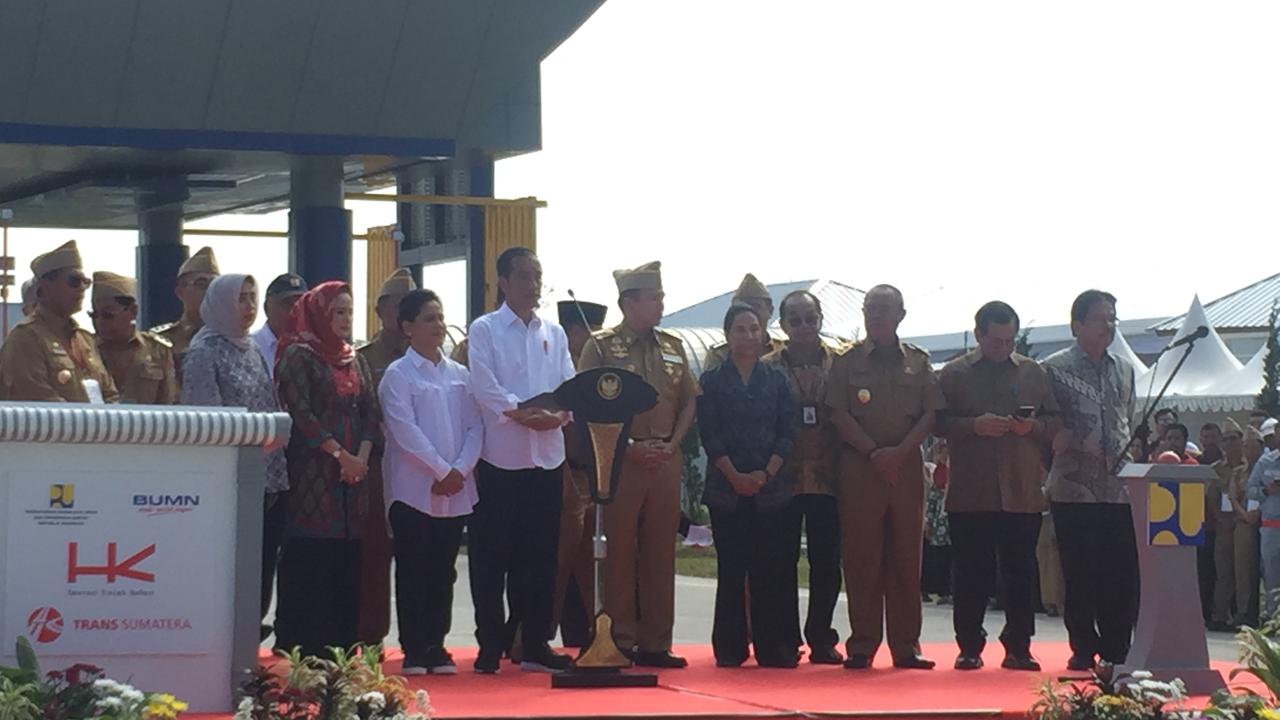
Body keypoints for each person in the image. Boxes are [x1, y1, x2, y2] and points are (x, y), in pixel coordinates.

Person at [578, 261, 701, 668]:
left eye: (661, 296)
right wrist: (629, 445)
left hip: (664, 460)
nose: (661, 304)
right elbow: (589, 406)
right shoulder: (602, 345)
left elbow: (689, 401)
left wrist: (673, 444)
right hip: (621, 460)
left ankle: (656, 641)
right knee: (619, 552)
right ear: (629, 302)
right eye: (654, 298)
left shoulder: (673, 346)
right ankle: (621, 638)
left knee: (660, 552)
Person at [466, 247, 575, 674]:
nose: (533, 284)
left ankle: (534, 644)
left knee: (541, 558)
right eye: (524, 276)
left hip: (546, 458)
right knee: (493, 558)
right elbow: (484, 385)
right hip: (502, 459)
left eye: (538, 275)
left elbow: (569, 384)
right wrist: (519, 411)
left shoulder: (555, 332)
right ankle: (490, 645)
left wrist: (559, 416)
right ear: (504, 282)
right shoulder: (486, 329)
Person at [936, 301, 1058, 672]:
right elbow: (937, 422)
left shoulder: (1034, 372)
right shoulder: (955, 374)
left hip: (1021, 491)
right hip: (972, 491)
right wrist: (974, 426)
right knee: (972, 573)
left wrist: (1031, 428)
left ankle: (1019, 646)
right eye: (995, 340)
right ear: (978, 335)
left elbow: (1054, 422)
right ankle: (969, 646)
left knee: (1021, 573)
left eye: (1009, 340)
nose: (1003, 347)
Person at [825, 284, 942, 670]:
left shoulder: (919, 362)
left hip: (906, 469)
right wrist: (874, 452)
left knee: (907, 559)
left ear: (901, 316)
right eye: (869, 309)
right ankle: (862, 645)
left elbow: (930, 414)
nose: (875, 316)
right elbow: (838, 413)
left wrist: (899, 452)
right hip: (861, 468)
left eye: (884, 309)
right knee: (862, 559)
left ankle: (907, 646)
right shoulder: (846, 362)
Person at [273, 281, 382, 658]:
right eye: (338, 311)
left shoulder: (355, 358)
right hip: (314, 476)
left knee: (348, 560)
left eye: (350, 311)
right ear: (319, 312)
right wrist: (341, 456)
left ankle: (342, 644)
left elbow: (371, 414)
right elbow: (301, 416)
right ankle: (305, 644)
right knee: (311, 558)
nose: (345, 319)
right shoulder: (298, 355)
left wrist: (361, 457)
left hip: (353, 479)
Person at [378, 289, 482, 675]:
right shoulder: (398, 375)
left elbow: (475, 426)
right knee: (414, 568)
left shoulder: (460, 374)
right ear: (407, 327)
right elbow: (405, 432)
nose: (438, 325)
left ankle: (437, 644)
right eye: (428, 319)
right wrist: (441, 470)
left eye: (440, 317)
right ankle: (414, 648)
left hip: (456, 487)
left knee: (444, 569)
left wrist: (461, 470)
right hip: (414, 490)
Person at [178, 274, 289, 637]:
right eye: (240, 299)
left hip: (267, 476)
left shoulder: (252, 348)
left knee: (261, 562)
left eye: (252, 298)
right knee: (230, 566)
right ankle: (224, 637)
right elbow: (205, 421)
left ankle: (250, 630)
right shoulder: (204, 351)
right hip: (228, 479)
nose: (249, 307)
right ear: (221, 302)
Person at [1042, 289, 1138, 673]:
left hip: (1118, 488)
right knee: (1080, 570)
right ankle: (1083, 645)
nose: (1109, 324)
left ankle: (1118, 647)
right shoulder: (1053, 368)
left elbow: (1127, 416)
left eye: (1113, 317)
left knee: (1120, 571)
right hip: (1073, 485)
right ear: (1077, 325)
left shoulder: (1125, 368)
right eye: (1101, 318)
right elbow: (1046, 422)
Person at [698, 303, 796, 667]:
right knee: (731, 569)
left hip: (770, 489)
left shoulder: (777, 379)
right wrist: (735, 476)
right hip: (727, 488)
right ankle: (729, 647)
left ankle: (772, 648)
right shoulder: (711, 380)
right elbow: (709, 433)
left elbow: (787, 432)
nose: (749, 336)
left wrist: (765, 474)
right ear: (727, 335)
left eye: (754, 328)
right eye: (741, 329)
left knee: (769, 569)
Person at [762, 289, 843, 664]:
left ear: (821, 319)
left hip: (830, 476)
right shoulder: (767, 367)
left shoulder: (842, 363)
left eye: (810, 318)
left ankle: (822, 637)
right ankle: (786, 638)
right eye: (795, 320)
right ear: (783, 325)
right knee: (781, 560)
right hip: (784, 477)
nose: (804, 326)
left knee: (826, 562)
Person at [355, 267, 417, 648]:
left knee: (424, 557)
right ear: (380, 311)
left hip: (422, 470)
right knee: (374, 556)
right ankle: (371, 636)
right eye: (397, 307)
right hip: (379, 467)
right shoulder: (362, 358)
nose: (403, 315)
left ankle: (423, 637)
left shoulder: (430, 356)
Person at [552, 298, 608, 648]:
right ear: (574, 333)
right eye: (592, 334)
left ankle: (589, 632)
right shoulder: (557, 368)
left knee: (590, 560)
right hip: (560, 473)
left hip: (593, 476)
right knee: (557, 558)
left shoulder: (599, 374)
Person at [0, 240, 118, 403]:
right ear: (43, 289)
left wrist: (109, 422)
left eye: (86, 282)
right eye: (74, 281)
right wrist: (88, 425)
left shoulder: (85, 340)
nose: (82, 288)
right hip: (56, 428)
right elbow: (38, 400)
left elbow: (110, 394)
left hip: (97, 427)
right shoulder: (25, 338)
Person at [91, 272, 178, 405]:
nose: (99, 321)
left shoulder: (157, 350)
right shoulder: (87, 349)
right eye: (94, 315)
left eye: (108, 315)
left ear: (133, 311)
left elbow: (169, 401)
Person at [1212, 419, 1259, 630]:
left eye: (1234, 439)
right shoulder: (1216, 470)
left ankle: (1243, 614)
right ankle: (1219, 614)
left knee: (1243, 572)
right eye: (1225, 440)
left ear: (1242, 441)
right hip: (1223, 525)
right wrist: (1220, 520)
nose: (1229, 444)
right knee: (1223, 572)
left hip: (1244, 524)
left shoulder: (1248, 468)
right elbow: (1211, 499)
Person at [151, 246, 219, 381]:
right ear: (180, 291)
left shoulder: (229, 337)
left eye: (215, 285)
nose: (209, 292)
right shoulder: (159, 340)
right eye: (201, 285)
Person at [702, 273, 783, 372]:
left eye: (756, 306)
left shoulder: (783, 352)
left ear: (770, 311)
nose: (749, 313)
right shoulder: (720, 355)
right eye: (742, 307)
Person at [1248, 431, 1280, 620]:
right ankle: (1273, 619)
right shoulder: (1265, 462)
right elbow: (1251, 490)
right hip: (1271, 528)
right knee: (1271, 577)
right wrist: (1267, 490)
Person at [252, 273, 308, 379]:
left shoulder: (312, 350)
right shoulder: (250, 347)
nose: (295, 311)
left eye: (300, 304)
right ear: (267, 307)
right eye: (288, 304)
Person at [922, 442, 953, 605]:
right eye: (941, 453)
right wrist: (929, 521)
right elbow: (933, 498)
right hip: (940, 522)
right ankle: (942, 590)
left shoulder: (953, 471)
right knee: (940, 556)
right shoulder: (938, 474)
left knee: (952, 556)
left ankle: (950, 589)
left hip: (951, 521)